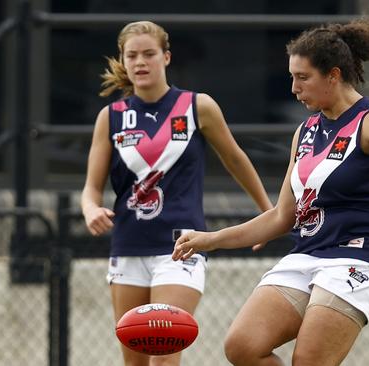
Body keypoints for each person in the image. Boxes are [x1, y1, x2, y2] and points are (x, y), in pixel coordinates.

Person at [172, 18, 369, 366]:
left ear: (334, 75)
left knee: (308, 360)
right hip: (309, 254)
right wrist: (210, 239)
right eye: (292, 76)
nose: (294, 88)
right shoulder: (306, 130)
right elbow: (282, 216)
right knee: (243, 346)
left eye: (303, 77)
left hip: (360, 256)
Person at [81, 21, 273, 366]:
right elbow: (90, 190)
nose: (140, 62)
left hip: (181, 248)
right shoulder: (110, 117)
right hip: (128, 247)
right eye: (132, 55)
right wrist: (91, 210)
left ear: (166, 57)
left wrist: (268, 214)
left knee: (165, 353)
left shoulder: (198, 106)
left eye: (149, 54)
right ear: (123, 61)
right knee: (135, 361)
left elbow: (235, 159)